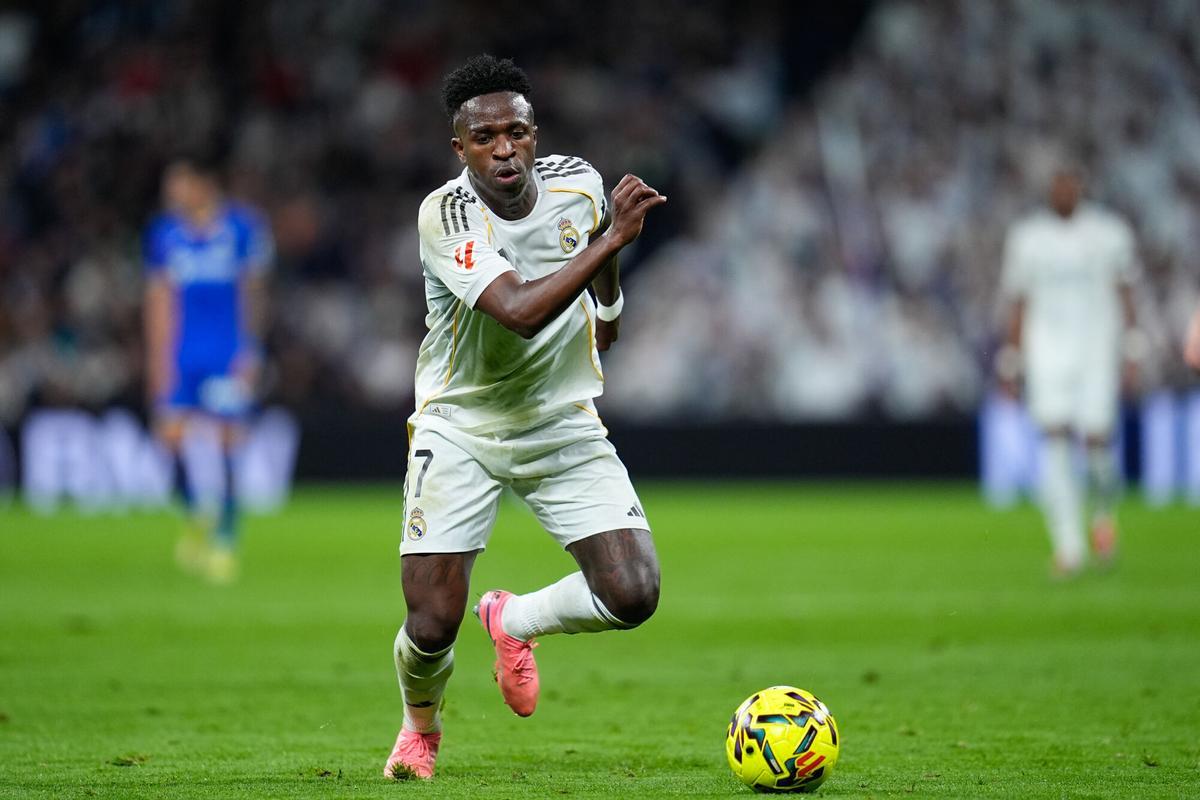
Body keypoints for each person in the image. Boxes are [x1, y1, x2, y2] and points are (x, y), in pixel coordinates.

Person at [384, 55, 667, 780]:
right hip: (461, 425)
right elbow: (517, 312)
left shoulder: (578, 184)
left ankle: (512, 620)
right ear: (460, 148)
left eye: (516, 132)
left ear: (534, 134)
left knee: (633, 593)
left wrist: (610, 307)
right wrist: (612, 242)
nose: (504, 148)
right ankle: (421, 729)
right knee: (431, 623)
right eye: (485, 138)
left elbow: (593, 237)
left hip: (559, 420)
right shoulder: (445, 215)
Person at [997, 167, 1143, 577]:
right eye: (1056, 185)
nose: (1063, 191)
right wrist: (1012, 360)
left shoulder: (1109, 233)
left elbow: (1126, 289)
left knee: (1097, 443)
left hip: (1097, 350)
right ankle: (1068, 546)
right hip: (1047, 354)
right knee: (1055, 439)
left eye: (1070, 184)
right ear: (1049, 191)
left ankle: (1102, 515)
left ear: (1081, 188)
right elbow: (1018, 301)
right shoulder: (1027, 238)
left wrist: (1133, 348)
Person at [143, 154, 272, 583]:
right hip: (181, 357)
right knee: (171, 443)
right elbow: (159, 301)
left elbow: (253, 294)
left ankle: (225, 540)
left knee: (227, 441)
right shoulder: (164, 235)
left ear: (203, 183)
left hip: (226, 353)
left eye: (178, 184)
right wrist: (158, 361)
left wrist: (250, 351)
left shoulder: (241, 229)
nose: (171, 194)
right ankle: (199, 511)